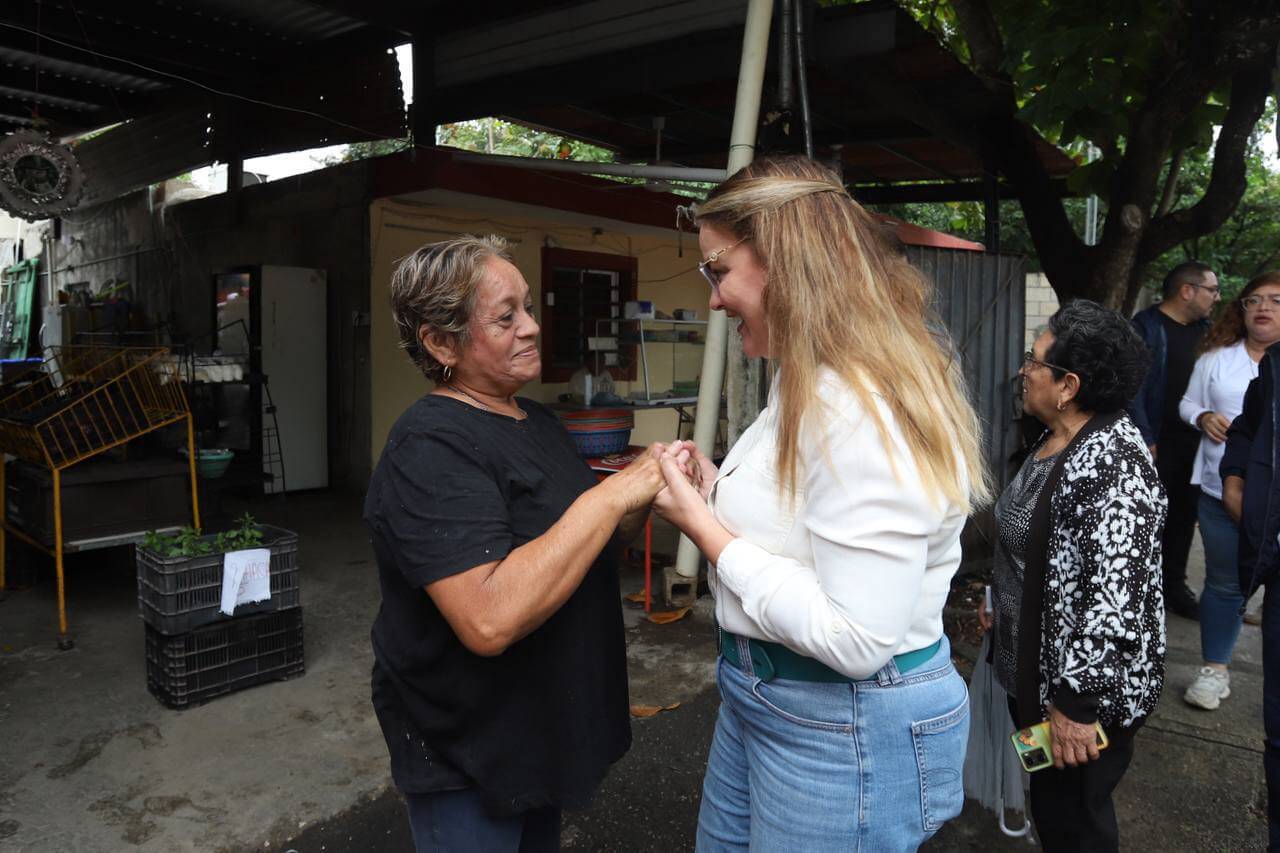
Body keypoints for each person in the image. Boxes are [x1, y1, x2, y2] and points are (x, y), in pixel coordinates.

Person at [650, 155, 991, 851]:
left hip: (844, 720)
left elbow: (857, 637)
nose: (713, 297)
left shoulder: (856, 402)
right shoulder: (807, 376)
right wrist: (719, 493)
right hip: (774, 697)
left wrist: (705, 530)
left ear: (784, 258)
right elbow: (811, 519)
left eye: (717, 268)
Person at [365, 235, 669, 852]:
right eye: (506, 317)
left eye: (528, 307)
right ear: (441, 342)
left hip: (538, 732)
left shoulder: (539, 422)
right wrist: (609, 497)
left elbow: (578, 543)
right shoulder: (430, 446)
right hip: (469, 749)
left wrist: (648, 497)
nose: (532, 327)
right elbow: (489, 616)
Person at [980, 300, 1165, 853]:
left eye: (1034, 361)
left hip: (1077, 703)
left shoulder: (1113, 467)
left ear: (1068, 385)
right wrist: (999, 592)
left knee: (1076, 823)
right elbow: (1037, 549)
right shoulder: (1057, 434)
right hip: (1036, 683)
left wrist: (1076, 711)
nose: (1022, 371)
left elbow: (1114, 604)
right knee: (1051, 805)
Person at [1179, 273, 1280, 710]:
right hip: (1222, 491)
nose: (1264, 307)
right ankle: (1214, 670)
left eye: (1276, 300)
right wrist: (1202, 416)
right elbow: (1186, 403)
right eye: (1253, 300)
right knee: (1223, 584)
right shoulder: (1217, 360)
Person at [1220, 278, 1280, 851]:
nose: (1263, 310)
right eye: (1256, 300)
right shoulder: (1272, 373)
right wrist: (1236, 479)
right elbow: (1245, 430)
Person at [1129, 261, 1220, 619]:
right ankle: (1139, 590)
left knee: (1185, 516)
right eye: (1211, 290)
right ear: (1188, 291)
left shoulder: (1209, 332)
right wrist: (1145, 436)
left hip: (1197, 442)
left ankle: (1173, 585)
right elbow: (1132, 388)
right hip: (1156, 442)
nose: (1216, 297)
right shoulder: (1145, 328)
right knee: (1148, 519)